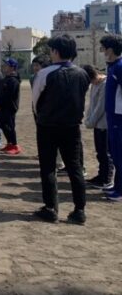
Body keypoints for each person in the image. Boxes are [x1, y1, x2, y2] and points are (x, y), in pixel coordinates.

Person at [32, 35, 90, 223]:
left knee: (48, 167)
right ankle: (79, 210)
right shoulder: (82, 73)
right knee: (75, 167)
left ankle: (50, 208)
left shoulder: (45, 73)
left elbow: (36, 101)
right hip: (72, 126)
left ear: (56, 52)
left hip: (48, 125)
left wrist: (41, 116)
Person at [82, 64, 112, 190]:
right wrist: (88, 118)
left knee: (105, 153)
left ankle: (106, 179)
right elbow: (92, 104)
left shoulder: (105, 84)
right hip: (97, 124)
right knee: (100, 152)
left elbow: (101, 106)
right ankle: (101, 175)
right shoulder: (94, 85)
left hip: (104, 124)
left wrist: (91, 122)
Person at [100, 34, 122, 202]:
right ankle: (117, 186)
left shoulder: (120, 67)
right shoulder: (113, 66)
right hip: (112, 118)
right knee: (114, 153)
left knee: (119, 154)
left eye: (103, 48)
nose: (102, 51)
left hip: (119, 119)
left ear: (111, 49)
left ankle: (120, 191)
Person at [0, 58, 21, 155]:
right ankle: (9, 144)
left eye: (6, 65)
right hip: (2, 106)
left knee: (9, 126)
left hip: (9, 107)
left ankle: (15, 145)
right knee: (3, 125)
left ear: (12, 67)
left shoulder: (13, 80)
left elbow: (9, 95)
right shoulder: (5, 78)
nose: (4, 66)